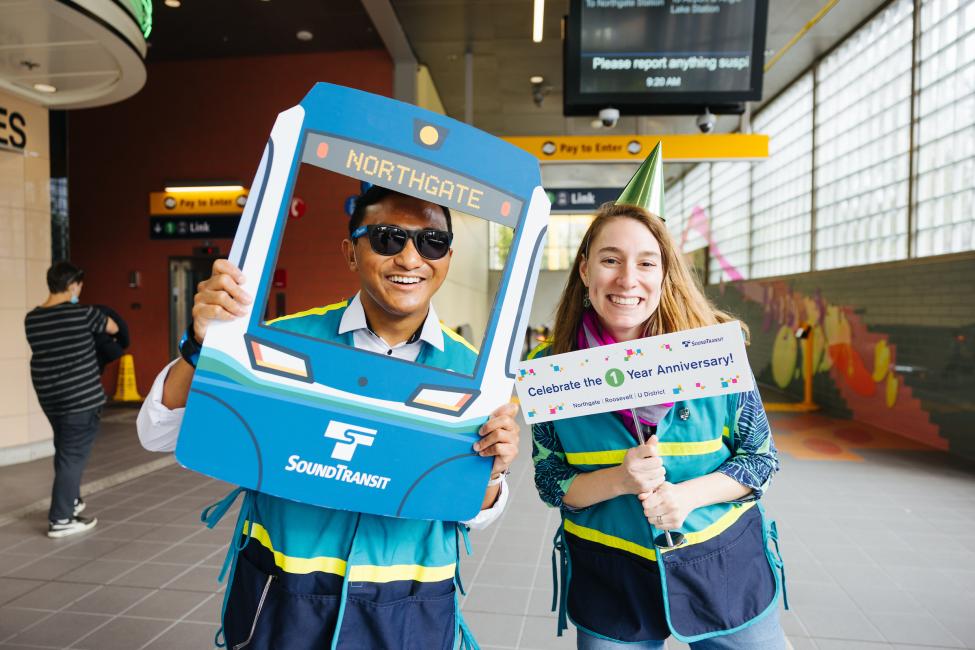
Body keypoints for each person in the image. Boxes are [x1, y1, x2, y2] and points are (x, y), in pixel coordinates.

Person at [137, 186, 520, 649]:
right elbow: (159, 433)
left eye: (431, 242)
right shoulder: (281, 343)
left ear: (448, 258)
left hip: (410, 613)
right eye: (387, 238)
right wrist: (202, 346)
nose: (410, 258)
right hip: (285, 603)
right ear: (351, 253)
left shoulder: (476, 373)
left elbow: (477, 512)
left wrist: (494, 473)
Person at [530, 149, 785, 649]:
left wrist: (688, 497)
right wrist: (620, 479)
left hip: (724, 566)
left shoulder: (713, 350)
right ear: (584, 270)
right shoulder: (551, 369)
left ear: (665, 273)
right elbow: (550, 480)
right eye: (610, 260)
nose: (628, 279)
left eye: (646, 262)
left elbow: (761, 459)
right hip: (611, 578)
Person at [25, 262, 119, 538]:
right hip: (80, 397)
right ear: (72, 285)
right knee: (73, 456)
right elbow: (113, 328)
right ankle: (62, 519)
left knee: (65, 448)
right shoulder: (83, 314)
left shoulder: (32, 318)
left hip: (49, 396)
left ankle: (72, 500)